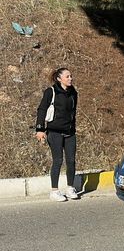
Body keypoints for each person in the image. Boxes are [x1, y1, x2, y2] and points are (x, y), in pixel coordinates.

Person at [35, 67, 79, 202]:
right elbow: (42, 109)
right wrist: (40, 129)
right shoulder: (51, 92)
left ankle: (70, 188)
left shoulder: (73, 93)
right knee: (58, 160)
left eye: (71, 76)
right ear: (59, 79)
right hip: (54, 132)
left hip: (70, 132)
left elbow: (73, 113)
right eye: (67, 76)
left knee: (71, 161)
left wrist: (73, 128)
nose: (70, 78)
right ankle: (54, 191)